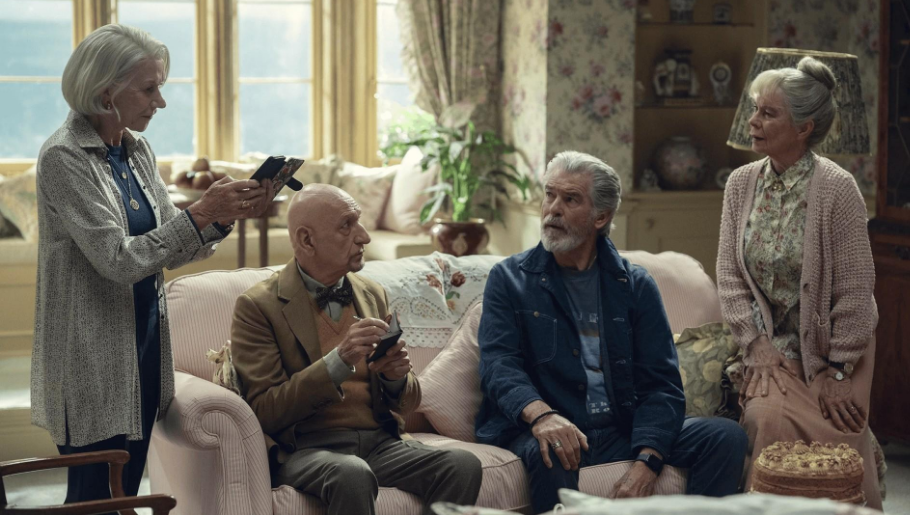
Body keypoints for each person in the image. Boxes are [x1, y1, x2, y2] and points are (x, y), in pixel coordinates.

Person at [31, 24, 273, 506]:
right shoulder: (63, 156)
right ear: (106, 92)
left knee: (126, 492)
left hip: (142, 346)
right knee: (93, 499)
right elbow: (119, 260)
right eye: (148, 89)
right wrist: (200, 214)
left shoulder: (136, 149)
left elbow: (172, 246)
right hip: (87, 358)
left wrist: (222, 216)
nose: (160, 102)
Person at [476, 151, 748, 514]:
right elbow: (498, 364)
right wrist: (542, 416)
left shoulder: (635, 285)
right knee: (552, 449)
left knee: (725, 436)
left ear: (601, 217)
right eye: (550, 195)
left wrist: (647, 461)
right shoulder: (509, 279)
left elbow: (661, 384)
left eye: (570, 199)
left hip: (621, 427)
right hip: (551, 425)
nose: (553, 209)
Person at [230, 184, 482, 515]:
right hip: (306, 449)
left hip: (379, 442)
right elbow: (266, 410)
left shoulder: (372, 293)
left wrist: (395, 377)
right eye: (346, 225)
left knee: (462, 465)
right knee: (351, 474)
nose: (364, 236)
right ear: (307, 240)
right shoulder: (257, 306)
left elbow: (408, 401)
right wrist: (339, 359)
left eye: (359, 221)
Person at [716, 56, 881, 509]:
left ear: (804, 128)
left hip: (835, 349)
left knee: (842, 438)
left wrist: (837, 370)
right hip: (769, 348)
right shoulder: (740, 184)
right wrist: (755, 344)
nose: (752, 121)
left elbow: (856, 290)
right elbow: (729, 277)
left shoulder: (838, 189)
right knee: (766, 419)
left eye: (768, 113)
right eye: (755, 109)